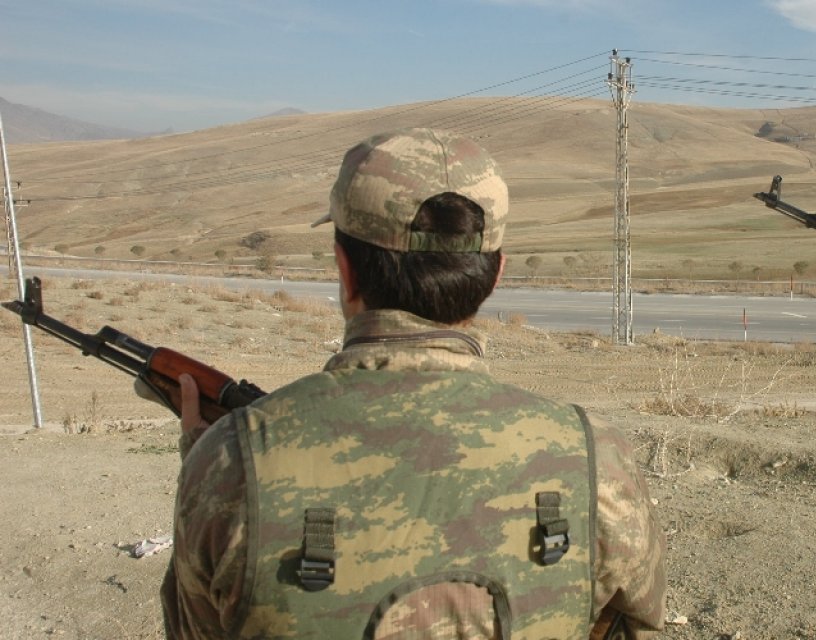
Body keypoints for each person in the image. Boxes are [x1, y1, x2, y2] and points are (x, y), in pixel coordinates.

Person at [158, 128, 667, 638]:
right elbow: (635, 624)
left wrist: (216, 461)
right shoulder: (595, 457)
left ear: (345, 270)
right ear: (494, 277)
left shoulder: (228, 463)